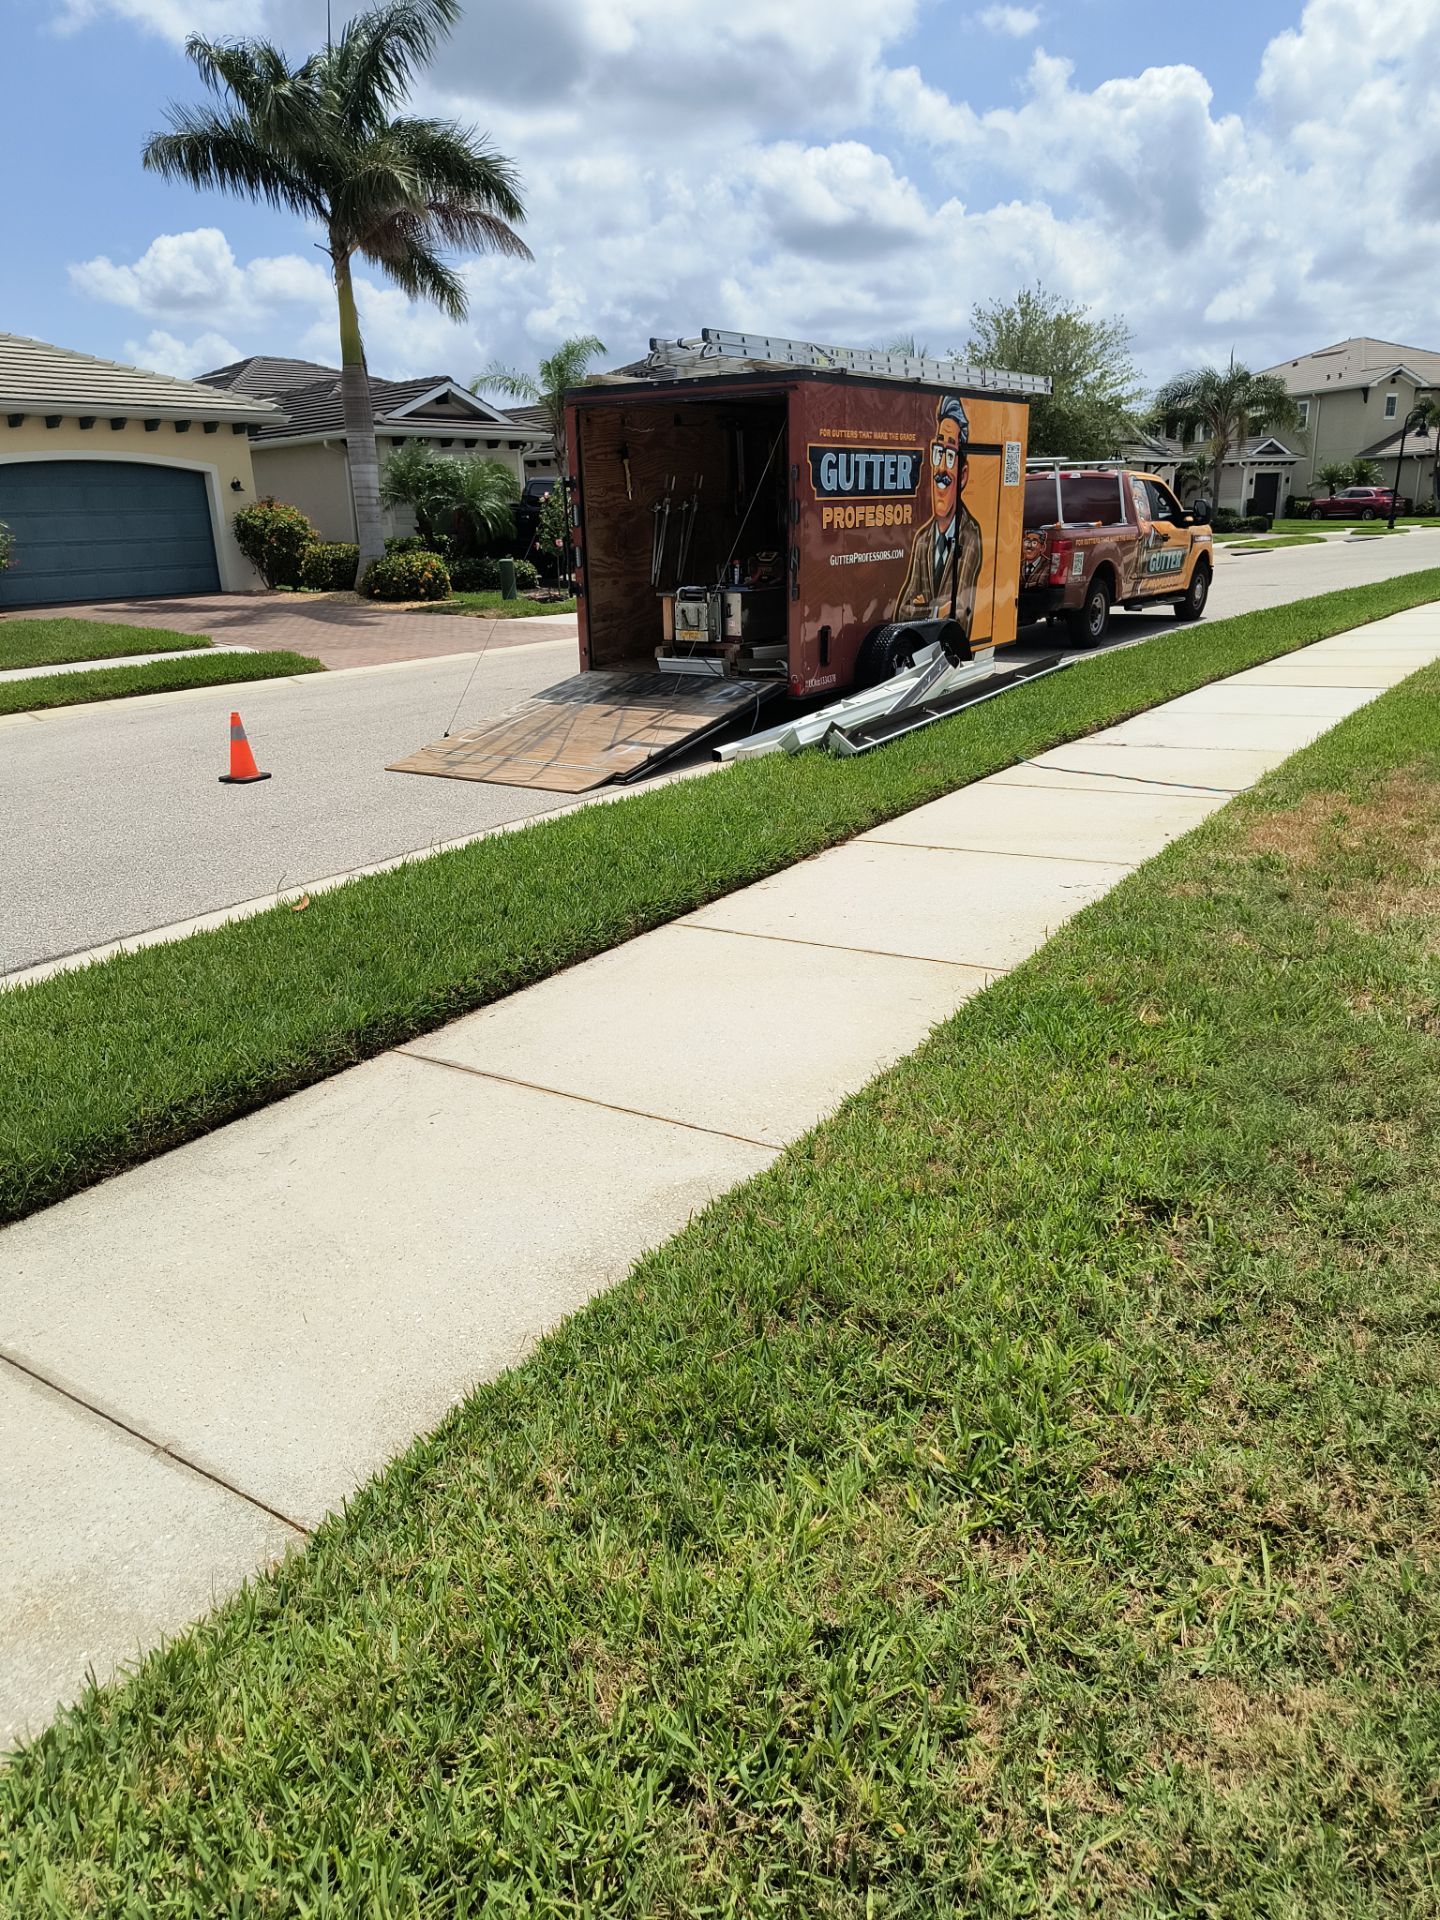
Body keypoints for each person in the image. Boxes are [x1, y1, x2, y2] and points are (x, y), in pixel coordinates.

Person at [893, 393, 982, 630]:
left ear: (962, 475)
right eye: (938, 452)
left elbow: (960, 614)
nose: (941, 467)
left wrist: (920, 609)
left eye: (950, 455)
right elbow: (903, 611)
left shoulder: (970, 537)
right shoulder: (923, 540)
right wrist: (934, 610)